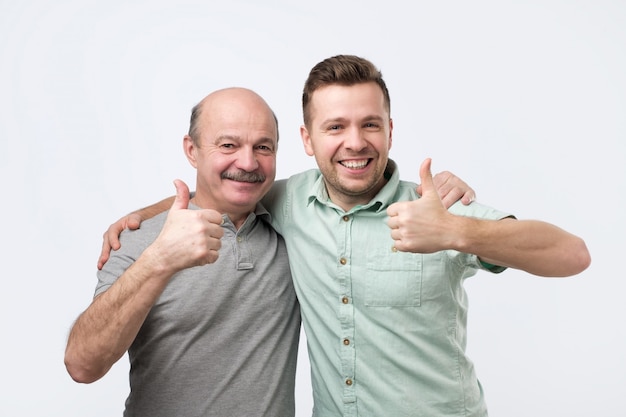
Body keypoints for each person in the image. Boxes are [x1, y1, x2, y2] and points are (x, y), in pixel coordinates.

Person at [98, 55, 590, 416]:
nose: (355, 142)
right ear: (308, 140)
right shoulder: (288, 202)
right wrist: (144, 214)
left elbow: (572, 255)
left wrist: (457, 230)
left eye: (369, 124)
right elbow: (229, 185)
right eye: (335, 126)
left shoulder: (434, 206)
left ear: (391, 131)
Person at [64, 87, 302, 416]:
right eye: (228, 145)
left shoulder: (295, 228)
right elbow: (82, 365)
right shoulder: (138, 241)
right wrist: (159, 261)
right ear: (192, 150)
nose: (248, 162)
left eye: (263, 147)